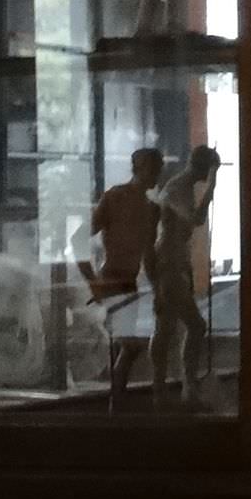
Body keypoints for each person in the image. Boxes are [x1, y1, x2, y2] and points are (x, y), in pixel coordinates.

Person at [79, 146, 162, 394]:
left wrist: (158, 291)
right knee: (131, 345)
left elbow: (149, 255)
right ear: (139, 168)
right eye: (153, 170)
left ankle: (117, 407)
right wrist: (93, 282)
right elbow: (77, 239)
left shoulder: (151, 209)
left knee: (123, 349)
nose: (157, 176)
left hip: (129, 284)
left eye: (159, 170)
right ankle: (116, 405)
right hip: (111, 280)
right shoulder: (115, 198)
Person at [150, 145, 221, 403]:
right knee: (194, 325)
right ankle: (186, 386)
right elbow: (196, 219)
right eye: (211, 169)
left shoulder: (183, 187)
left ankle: (166, 389)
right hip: (168, 263)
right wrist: (211, 187)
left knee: (167, 326)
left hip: (176, 262)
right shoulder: (178, 187)